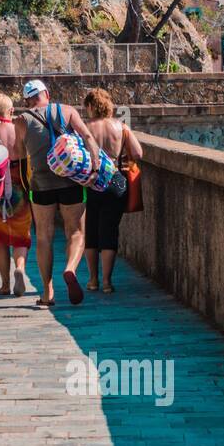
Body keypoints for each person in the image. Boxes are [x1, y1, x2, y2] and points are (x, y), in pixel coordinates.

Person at [15, 78, 99, 306]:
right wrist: (95, 168)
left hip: (41, 185)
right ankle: (70, 269)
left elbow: (19, 158)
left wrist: (25, 188)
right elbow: (88, 138)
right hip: (71, 181)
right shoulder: (67, 111)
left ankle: (46, 292)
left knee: (44, 236)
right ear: (47, 94)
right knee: (76, 232)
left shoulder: (22, 120)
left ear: (27, 100)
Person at [81, 88, 143, 294]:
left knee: (90, 231)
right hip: (115, 182)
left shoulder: (85, 128)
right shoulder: (121, 127)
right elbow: (138, 153)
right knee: (109, 231)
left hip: (90, 182)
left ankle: (92, 280)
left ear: (90, 106)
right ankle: (107, 282)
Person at [0, 92, 31, 297]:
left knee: (1, 238)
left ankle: (4, 284)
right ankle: (19, 267)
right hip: (20, 188)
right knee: (21, 236)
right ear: (11, 111)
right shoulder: (20, 133)